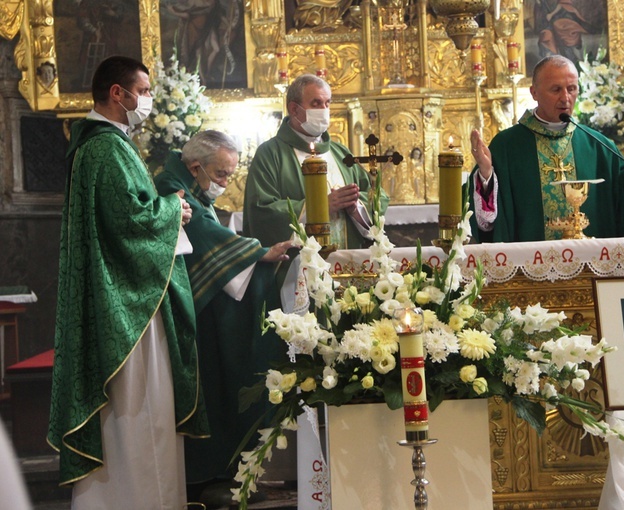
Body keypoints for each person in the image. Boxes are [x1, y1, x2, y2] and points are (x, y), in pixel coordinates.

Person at [47, 56, 208, 509]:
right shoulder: (106, 148)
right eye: (143, 90)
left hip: (123, 293)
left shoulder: (102, 144)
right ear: (118, 93)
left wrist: (166, 206)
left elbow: (127, 211)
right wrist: (174, 209)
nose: (147, 101)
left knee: (139, 413)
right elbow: (130, 222)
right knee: (138, 409)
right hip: (127, 308)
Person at [154, 130, 293, 497]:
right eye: (221, 174)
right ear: (197, 166)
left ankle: (222, 467)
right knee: (210, 381)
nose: (225, 182)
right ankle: (205, 471)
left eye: (230, 174)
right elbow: (200, 232)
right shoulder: (172, 185)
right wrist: (258, 254)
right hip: (187, 308)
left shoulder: (190, 182)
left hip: (203, 303)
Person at [467, 55, 624, 243]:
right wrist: (485, 175)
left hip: (591, 263)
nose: (565, 97)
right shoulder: (507, 145)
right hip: (530, 265)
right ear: (534, 92)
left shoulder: (599, 145)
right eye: (556, 89)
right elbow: (486, 220)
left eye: (572, 89)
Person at [243, 74, 389, 290]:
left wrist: (355, 206)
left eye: (327, 103)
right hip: (297, 270)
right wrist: (319, 207)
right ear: (294, 109)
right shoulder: (270, 154)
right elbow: (261, 212)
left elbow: (378, 198)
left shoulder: (340, 153)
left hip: (348, 265)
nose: (324, 109)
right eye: (316, 103)